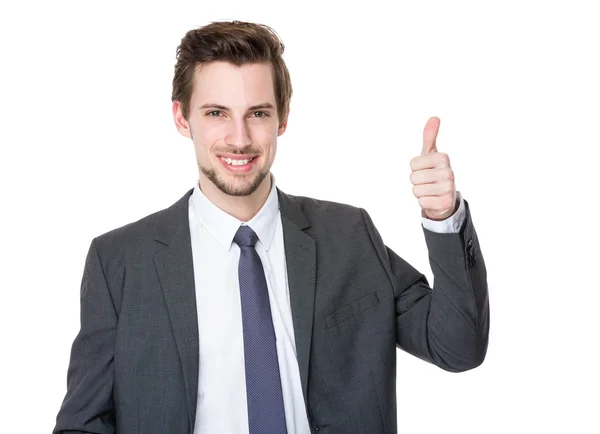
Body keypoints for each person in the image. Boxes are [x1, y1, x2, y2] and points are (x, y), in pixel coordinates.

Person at [53, 20, 489, 434]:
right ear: (182, 118)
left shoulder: (348, 235)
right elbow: (82, 423)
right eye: (217, 113)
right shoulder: (120, 262)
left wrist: (442, 217)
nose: (239, 139)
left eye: (258, 113)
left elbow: (457, 347)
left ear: (282, 117)